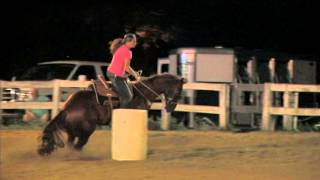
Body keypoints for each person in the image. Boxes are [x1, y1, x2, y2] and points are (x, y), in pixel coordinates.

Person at [107, 33, 141, 108]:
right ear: (128, 42)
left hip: (115, 74)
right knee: (128, 97)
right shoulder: (127, 52)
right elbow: (127, 68)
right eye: (134, 41)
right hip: (115, 75)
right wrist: (135, 75)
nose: (135, 43)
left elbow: (127, 67)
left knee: (130, 94)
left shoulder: (123, 48)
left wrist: (134, 73)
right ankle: (121, 114)